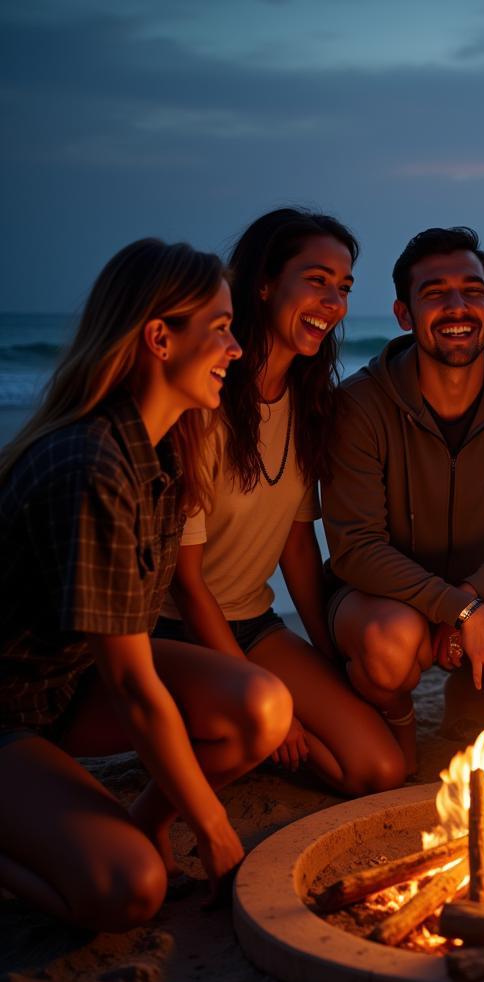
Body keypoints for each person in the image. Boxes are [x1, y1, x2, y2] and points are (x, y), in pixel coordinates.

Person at [0, 239, 293, 931]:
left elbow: (126, 668)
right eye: (219, 329)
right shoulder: (91, 464)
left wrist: (175, 816)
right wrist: (217, 832)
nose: (238, 349)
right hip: (8, 709)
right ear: (160, 337)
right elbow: (134, 687)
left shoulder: (163, 448)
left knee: (260, 708)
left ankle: (128, 828)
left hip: (67, 683)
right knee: (129, 892)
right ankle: (104, 846)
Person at [155, 209, 405, 795]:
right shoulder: (202, 402)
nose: (334, 302)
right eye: (317, 280)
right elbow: (185, 583)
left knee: (380, 769)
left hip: (254, 623)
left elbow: (296, 544)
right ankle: (231, 729)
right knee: (299, 741)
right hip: (176, 631)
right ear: (264, 283)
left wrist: (330, 655)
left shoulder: (310, 402)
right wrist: (272, 706)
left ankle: (238, 733)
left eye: (343, 288)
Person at [323, 227, 484, 770]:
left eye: (472, 290)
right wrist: (458, 608)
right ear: (402, 314)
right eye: (435, 293)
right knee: (391, 643)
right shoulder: (359, 407)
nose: (457, 306)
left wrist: (471, 600)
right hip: (386, 599)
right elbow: (355, 549)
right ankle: (395, 723)